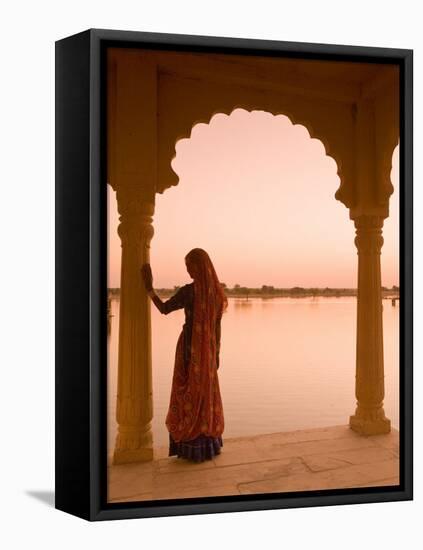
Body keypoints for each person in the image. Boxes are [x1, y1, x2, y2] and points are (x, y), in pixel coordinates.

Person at [141, 248, 228, 462]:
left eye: (190, 266)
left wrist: (149, 289)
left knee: (187, 393)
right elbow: (217, 328)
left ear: (198, 266)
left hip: (190, 350)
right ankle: (208, 445)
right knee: (204, 395)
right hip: (207, 353)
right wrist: (216, 353)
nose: (188, 271)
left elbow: (164, 308)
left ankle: (190, 444)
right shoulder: (216, 293)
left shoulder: (190, 292)